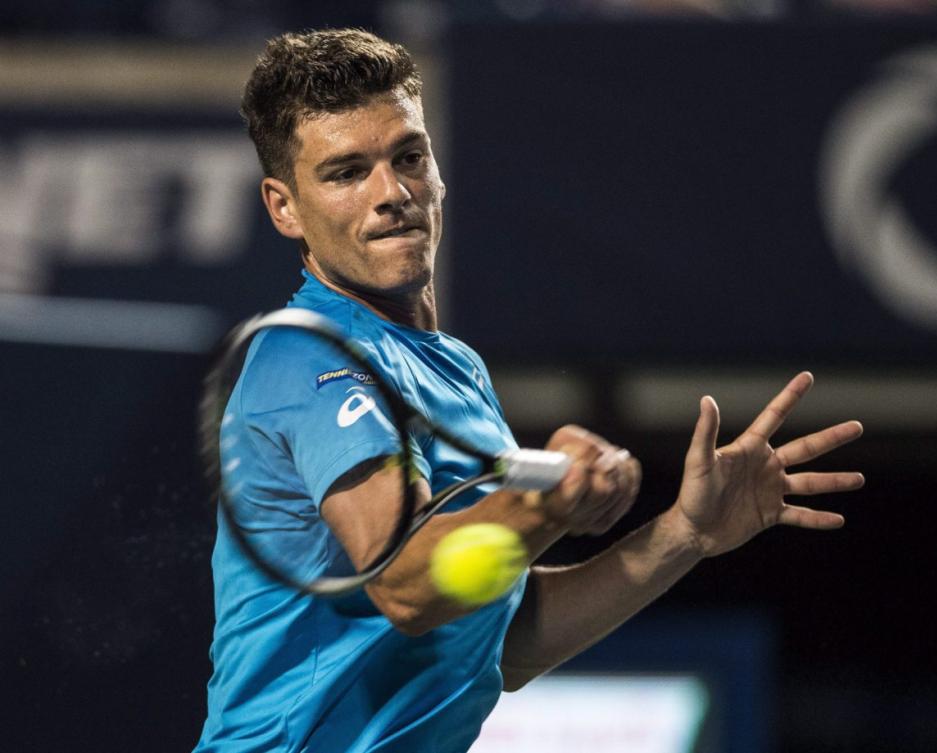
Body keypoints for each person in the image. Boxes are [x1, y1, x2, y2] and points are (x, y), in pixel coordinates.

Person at [194, 27, 865, 753]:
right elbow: (409, 585)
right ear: (284, 206)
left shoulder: (459, 370)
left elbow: (503, 644)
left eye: (408, 157)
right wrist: (541, 505)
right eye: (346, 172)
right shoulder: (308, 352)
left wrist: (682, 534)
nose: (391, 193)